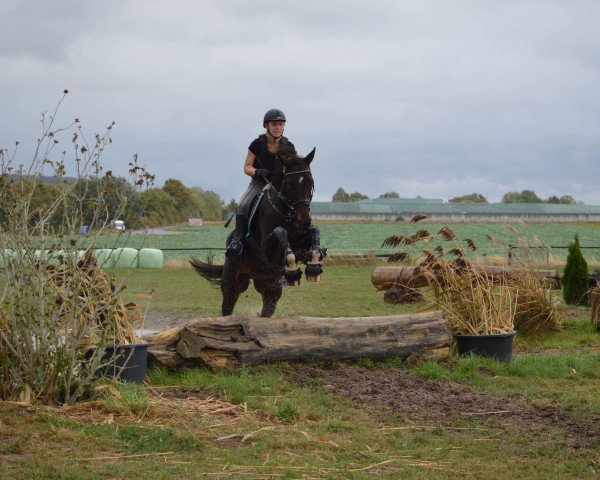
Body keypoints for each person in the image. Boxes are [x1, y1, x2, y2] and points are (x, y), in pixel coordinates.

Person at [225, 108, 297, 257]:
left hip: (280, 186)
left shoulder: (289, 146)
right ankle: (239, 240)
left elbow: (294, 166)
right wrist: (257, 172)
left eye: (280, 124)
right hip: (258, 184)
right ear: (267, 126)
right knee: (243, 205)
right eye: (274, 124)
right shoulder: (257, 144)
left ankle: (299, 239)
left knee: (297, 206)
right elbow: (247, 167)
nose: (277, 127)